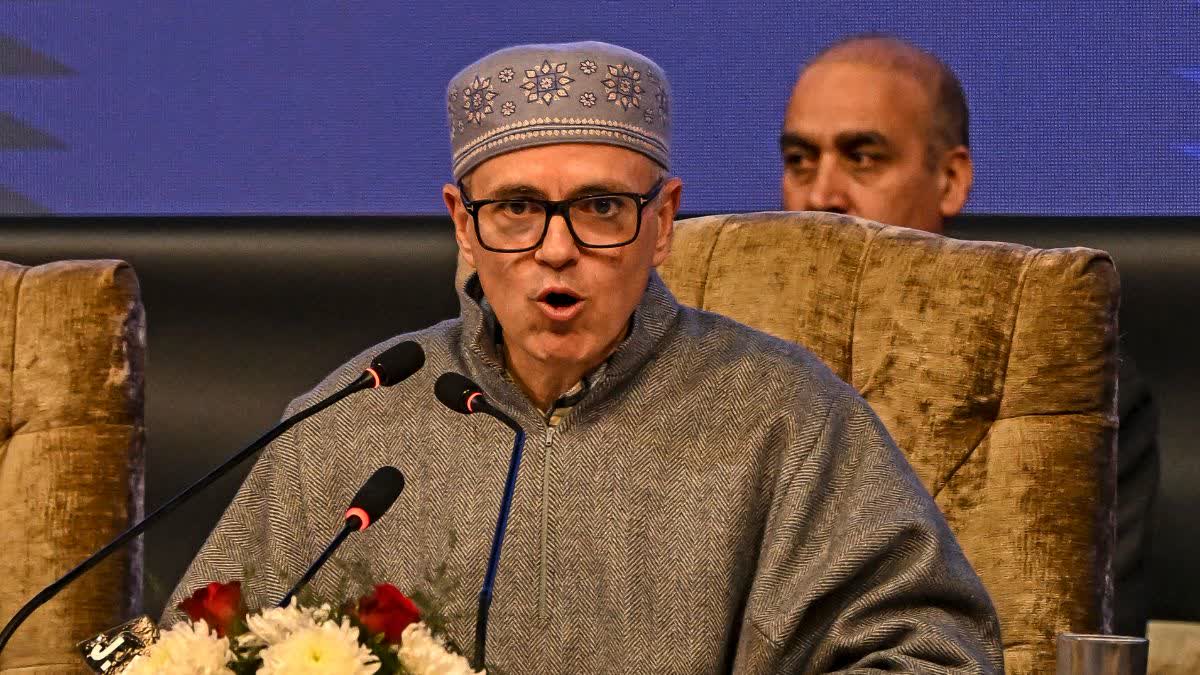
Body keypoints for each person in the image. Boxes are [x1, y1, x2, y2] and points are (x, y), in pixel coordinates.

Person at [168, 41, 1003, 671]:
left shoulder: (784, 416)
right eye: (517, 208)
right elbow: (184, 648)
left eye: (601, 207)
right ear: (463, 224)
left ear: (663, 221)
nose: (557, 249)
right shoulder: (351, 419)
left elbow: (933, 653)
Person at [779, 34, 1160, 636]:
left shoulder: (1059, 388)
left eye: (863, 157)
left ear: (950, 180)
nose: (820, 196)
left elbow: (1075, 640)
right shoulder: (728, 362)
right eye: (800, 160)